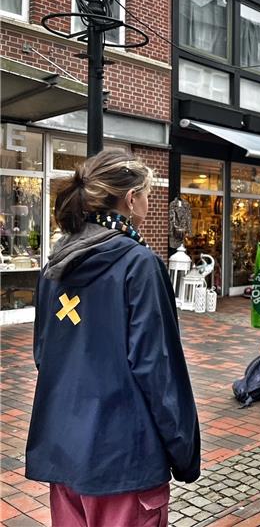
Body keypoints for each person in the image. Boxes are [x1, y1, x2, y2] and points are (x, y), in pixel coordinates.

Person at [26, 150, 201, 527]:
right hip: (124, 457)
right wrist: (184, 453)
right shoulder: (139, 265)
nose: (149, 203)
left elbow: (45, 354)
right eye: (148, 194)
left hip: (65, 452)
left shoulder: (54, 267)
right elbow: (158, 370)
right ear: (130, 198)